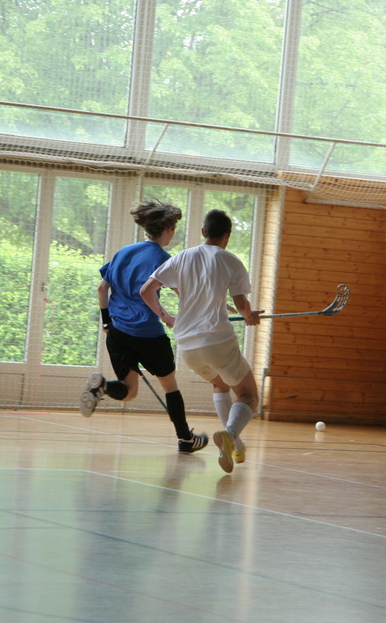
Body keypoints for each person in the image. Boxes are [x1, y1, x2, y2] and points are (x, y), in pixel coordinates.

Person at [80, 199, 208, 454]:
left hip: (117, 332)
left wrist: (105, 320)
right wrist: (173, 317)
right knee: (170, 386)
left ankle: (102, 387)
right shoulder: (164, 259)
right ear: (169, 230)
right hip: (148, 335)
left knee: (128, 393)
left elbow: (102, 288)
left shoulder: (124, 252)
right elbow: (184, 294)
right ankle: (185, 439)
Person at [139, 209, 262, 473]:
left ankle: (235, 444)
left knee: (220, 384)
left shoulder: (182, 257)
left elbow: (146, 290)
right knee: (248, 395)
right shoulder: (231, 260)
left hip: (187, 346)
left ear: (203, 232)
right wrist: (250, 317)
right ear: (227, 236)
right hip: (217, 341)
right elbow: (242, 304)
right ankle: (230, 434)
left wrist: (167, 317)